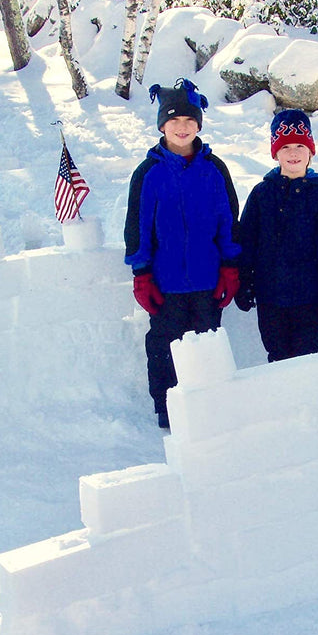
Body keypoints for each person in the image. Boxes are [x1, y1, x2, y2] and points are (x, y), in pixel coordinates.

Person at [124, 78, 241, 429]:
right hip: (166, 282)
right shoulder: (149, 173)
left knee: (207, 341)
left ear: (199, 125)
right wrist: (141, 273)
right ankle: (167, 406)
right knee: (164, 343)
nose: (182, 128)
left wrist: (231, 266)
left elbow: (227, 219)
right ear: (162, 125)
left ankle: (210, 403)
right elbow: (137, 226)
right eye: (174, 121)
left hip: (207, 279)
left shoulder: (214, 169)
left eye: (189, 121)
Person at [235, 108, 318, 362]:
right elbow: (247, 239)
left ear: (310, 151)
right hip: (270, 298)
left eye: (299, 145)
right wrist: (244, 279)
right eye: (285, 147)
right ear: (275, 153)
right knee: (279, 357)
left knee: (315, 356)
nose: (293, 153)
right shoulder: (262, 194)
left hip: (310, 298)